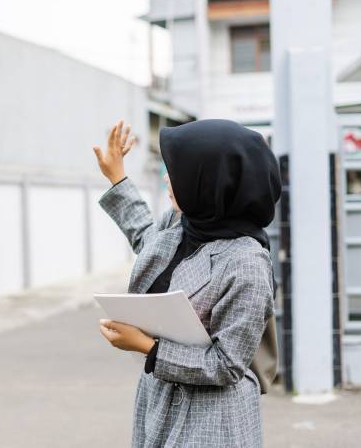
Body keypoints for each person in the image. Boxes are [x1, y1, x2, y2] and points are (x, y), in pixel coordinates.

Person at [93, 119, 280, 447]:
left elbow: (227, 365)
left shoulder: (247, 264)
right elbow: (150, 243)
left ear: (211, 183)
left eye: (179, 172)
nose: (168, 178)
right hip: (160, 400)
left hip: (214, 419)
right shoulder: (185, 220)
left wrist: (146, 347)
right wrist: (117, 178)